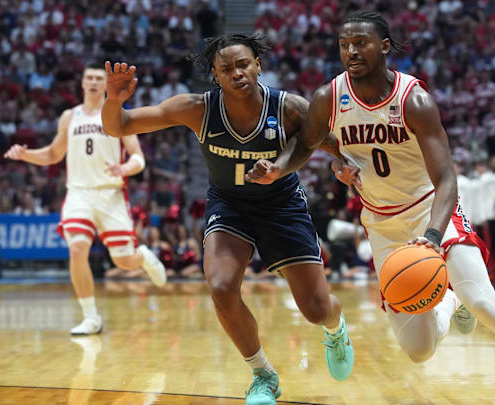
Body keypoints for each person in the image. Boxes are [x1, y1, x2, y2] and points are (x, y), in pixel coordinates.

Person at [246, 11, 495, 404]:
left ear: (385, 47)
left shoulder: (415, 100)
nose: (352, 51)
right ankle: (449, 298)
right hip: (382, 223)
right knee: (418, 349)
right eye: (345, 45)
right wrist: (277, 168)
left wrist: (431, 237)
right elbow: (306, 144)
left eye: (361, 43)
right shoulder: (330, 97)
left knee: (484, 300)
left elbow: (447, 179)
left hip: (432, 210)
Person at [100, 34, 353, 405]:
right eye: (226, 69)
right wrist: (113, 100)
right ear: (215, 76)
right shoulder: (197, 109)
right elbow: (118, 126)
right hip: (229, 204)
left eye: (243, 65)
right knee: (220, 286)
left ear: (258, 65)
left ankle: (336, 328)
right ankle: (263, 375)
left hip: (281, 205)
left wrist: (344, 165)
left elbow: (333, 144)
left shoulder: (289, 107)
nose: (236, 73)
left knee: (316, 310)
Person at [3, 62, 167, 335]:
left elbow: (138, 157)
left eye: (97, 78)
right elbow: (54, 154)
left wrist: (125, 168)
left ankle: (142, 256)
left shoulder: (118, 114)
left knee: (123, 262)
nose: (92, 82)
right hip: (79, 194)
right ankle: (91, 317)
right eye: (88, 78)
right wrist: (26, 154)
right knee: (77, 249)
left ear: (105, 84)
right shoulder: (70, 116)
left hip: (111, 194)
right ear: (82, 83)